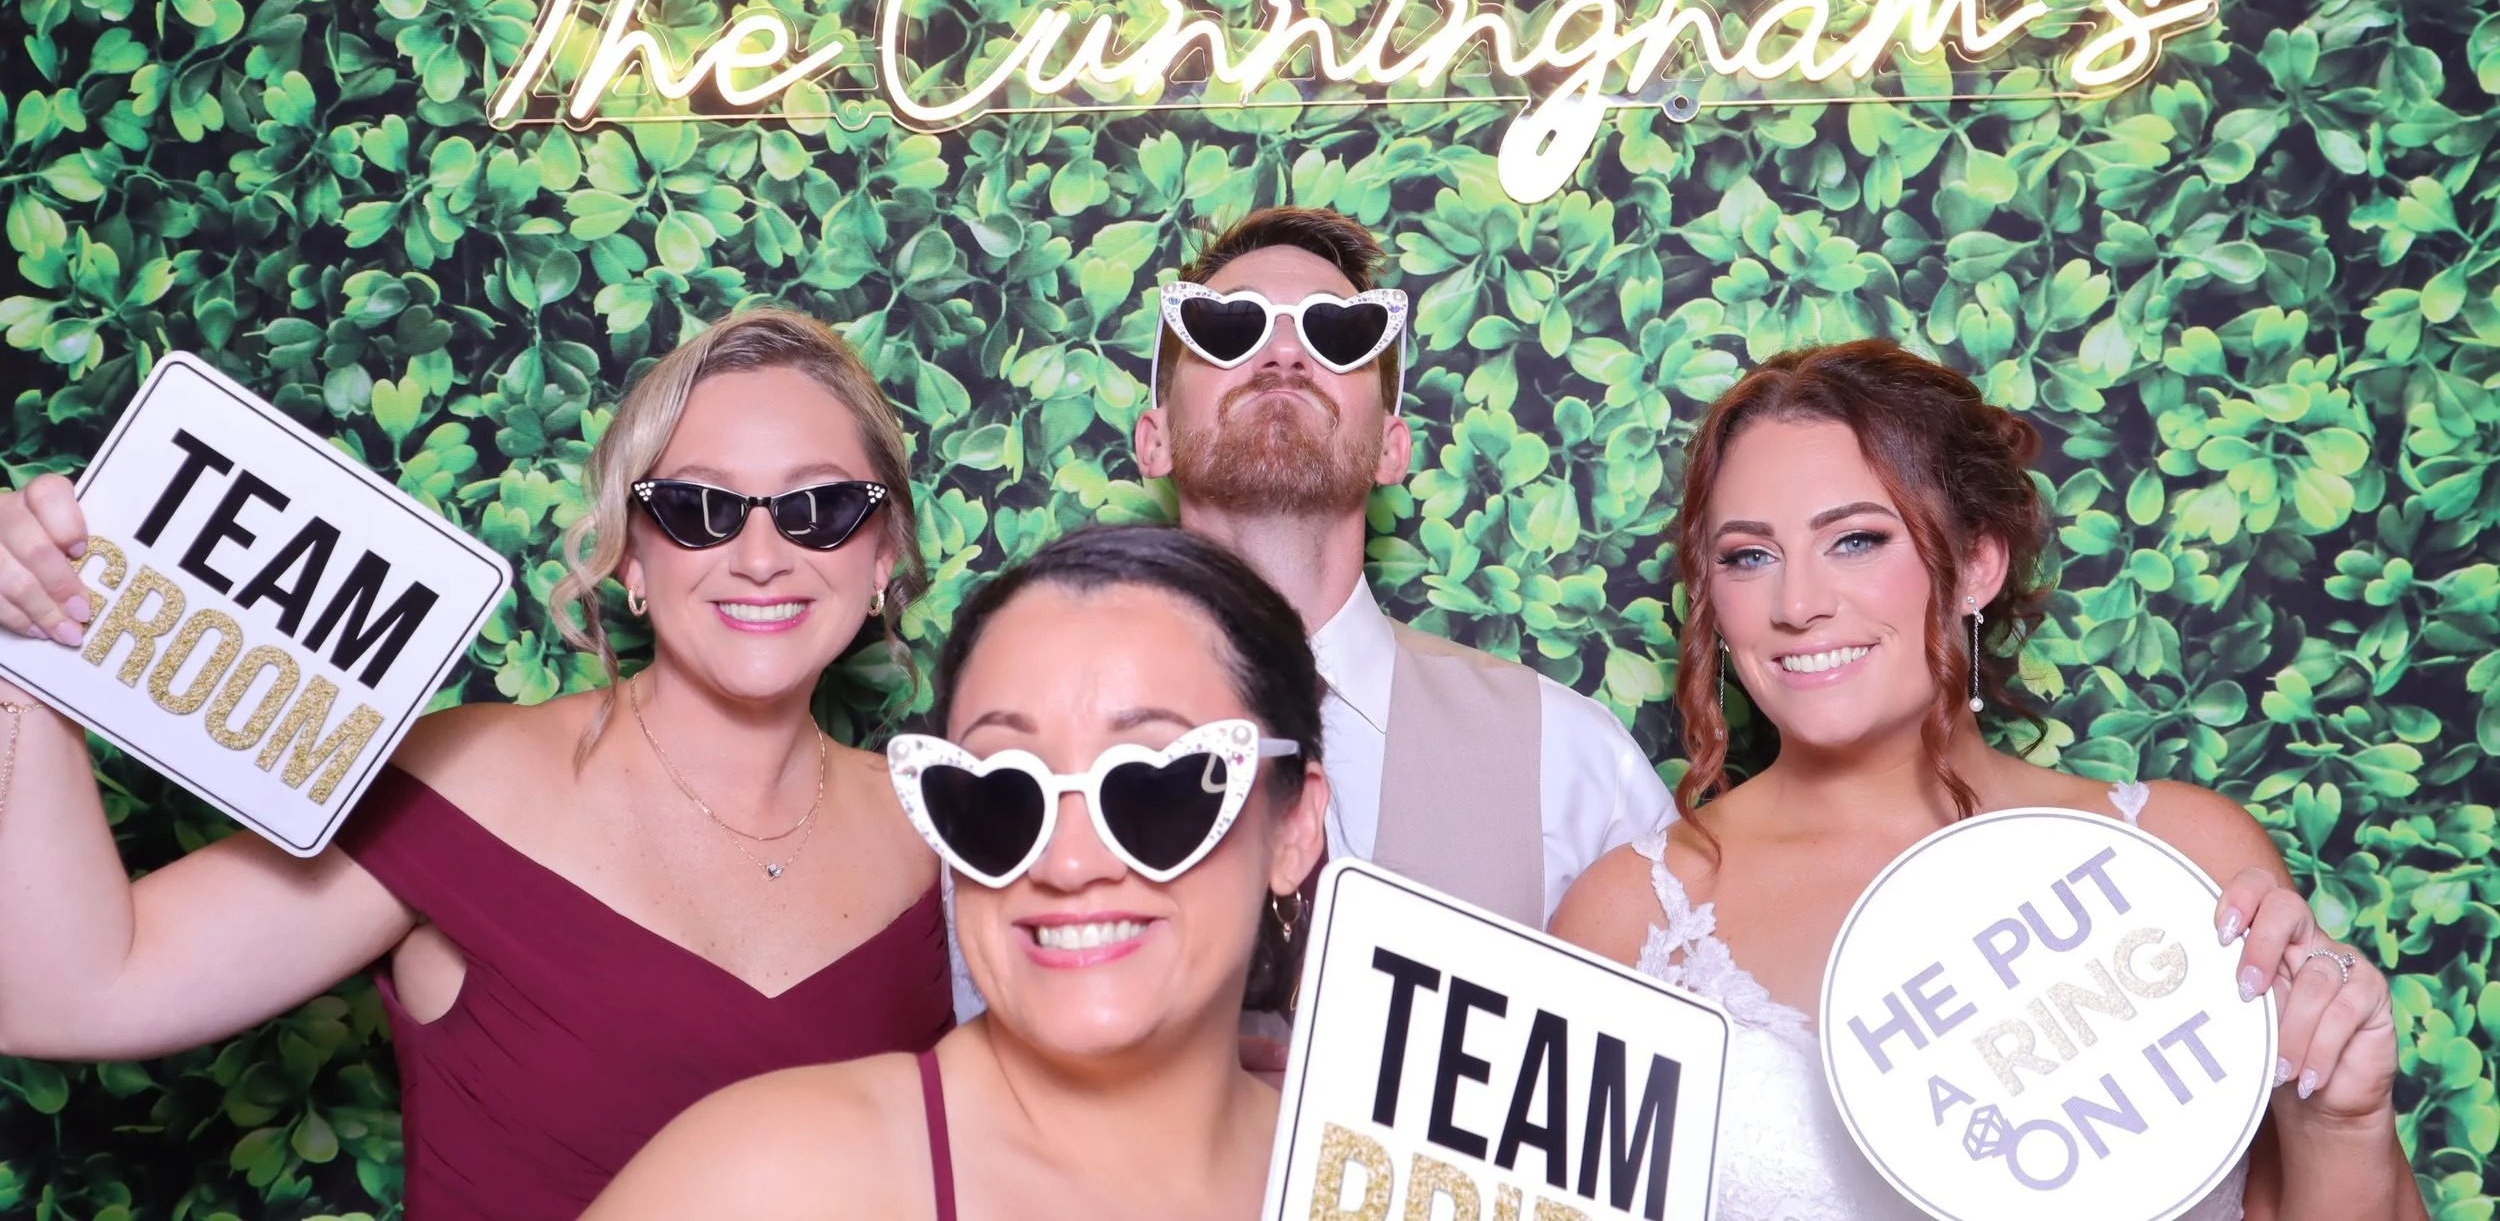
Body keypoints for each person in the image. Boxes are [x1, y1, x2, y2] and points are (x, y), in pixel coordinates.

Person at [0, 309, 953, 1219]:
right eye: (699, 508)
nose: (760, 555)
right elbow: (61, 998)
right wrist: (27, 645)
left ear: (883, 556)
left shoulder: (941, 832)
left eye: (823, 507)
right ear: (632, 557)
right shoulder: (468, 778)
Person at [1549, 340, 2424, 1221]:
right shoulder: (1632, 918)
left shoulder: (2186, 857)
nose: (1797, 604)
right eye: (1748, 556)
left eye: (1856, 540)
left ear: (1977, 564)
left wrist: (2341, 1123)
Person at [583, 523, 1331, 1221]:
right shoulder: (769, 1180)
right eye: (1005, 794)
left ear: (1294, 828)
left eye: (1155, 789)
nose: (1068, 864)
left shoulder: (1369, 1184)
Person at [1131, 206, 1673, 933]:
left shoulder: (1573, 760)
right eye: (1230, 328)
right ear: (1155, 439)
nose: (1284, 355)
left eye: (1336, 335)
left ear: (1393, 449)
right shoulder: (1034, 745)